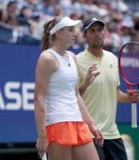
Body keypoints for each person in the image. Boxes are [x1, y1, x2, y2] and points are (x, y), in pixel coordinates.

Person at [34, 16, 103, 160]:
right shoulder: (47, 58)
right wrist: (42, 136)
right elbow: (39, 99)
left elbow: (76, 94)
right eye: (71, 30)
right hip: (57, 123)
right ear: (58, 33)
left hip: (77, 122)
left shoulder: (72, 56)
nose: (75, 33)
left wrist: (91, 124)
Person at [76, 17, 139, 160]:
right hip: (89, 134)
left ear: (105, 33)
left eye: (100, 30)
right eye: (92, 31)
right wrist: (85, 83)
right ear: (85, 35)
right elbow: (74, 95)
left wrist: (129, 98)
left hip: (112, 133)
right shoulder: (77, 61)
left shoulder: (112, 58)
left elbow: (115, 94)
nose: (97, 33)